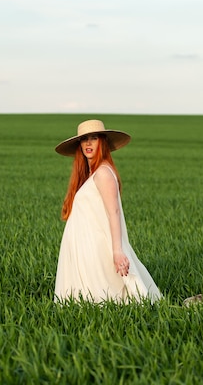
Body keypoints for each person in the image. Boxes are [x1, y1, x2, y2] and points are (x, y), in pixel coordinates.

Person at [53, 119, 162, 303]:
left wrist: (118, 251)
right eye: (84, 139)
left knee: (106, 296)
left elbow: (114, 213)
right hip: (85, 246)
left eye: (93, 138)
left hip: (96, 245)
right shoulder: (90, 175)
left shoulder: (103, 173)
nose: (88, 143)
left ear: (102, 142)